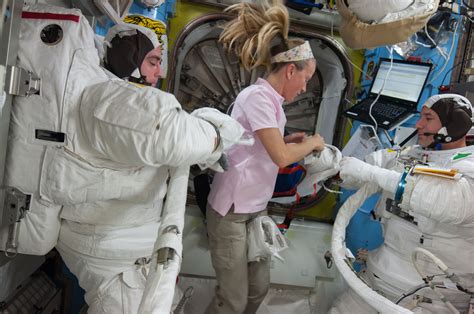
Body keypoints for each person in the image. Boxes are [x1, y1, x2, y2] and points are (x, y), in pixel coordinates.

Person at [51, 21, 245, 313]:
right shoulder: (107, 99)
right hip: (113, 256)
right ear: (128, 58)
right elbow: (167, 134)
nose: (160, 72)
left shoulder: (119, 99)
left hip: (127, 245)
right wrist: (217, 135)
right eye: (153, 61)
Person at [205, 1, 326, 313]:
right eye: (306, 78)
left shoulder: (271, 102)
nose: (304, 87)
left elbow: (257, 145)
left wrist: (289, 139)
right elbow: (282, 158)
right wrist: (312, 143)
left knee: (257, 290)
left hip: (254, 211)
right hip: (231, 213)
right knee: (231, 299)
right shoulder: (258, 97)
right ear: (290, 70)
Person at [331, 93, 474, 313]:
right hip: (377, 279)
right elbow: (355, 171)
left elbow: (446, 203)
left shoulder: (468, 167)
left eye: (428, 118)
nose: (418, 124)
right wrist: (327, 162)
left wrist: (372, 173)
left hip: (430, 298)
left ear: (454, 125)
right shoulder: (408, 155)